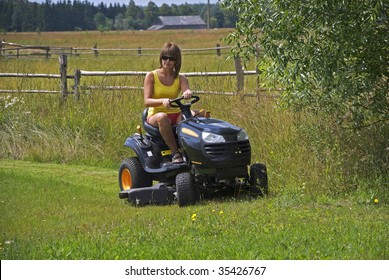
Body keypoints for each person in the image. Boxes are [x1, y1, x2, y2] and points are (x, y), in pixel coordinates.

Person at [144, 42, 192, 163]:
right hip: (156, 114)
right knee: (163, 117)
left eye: (171, 58)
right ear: (161, 58)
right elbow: (147, 101)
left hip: (175, 113)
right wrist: (162, 101)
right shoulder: (151, 76)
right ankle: (175, 153)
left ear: (176, 61)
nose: (167, 61)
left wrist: (187, 93)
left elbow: (186, 89)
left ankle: (194, 150)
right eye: (165, 57)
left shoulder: (181, 78)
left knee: (199, 115)